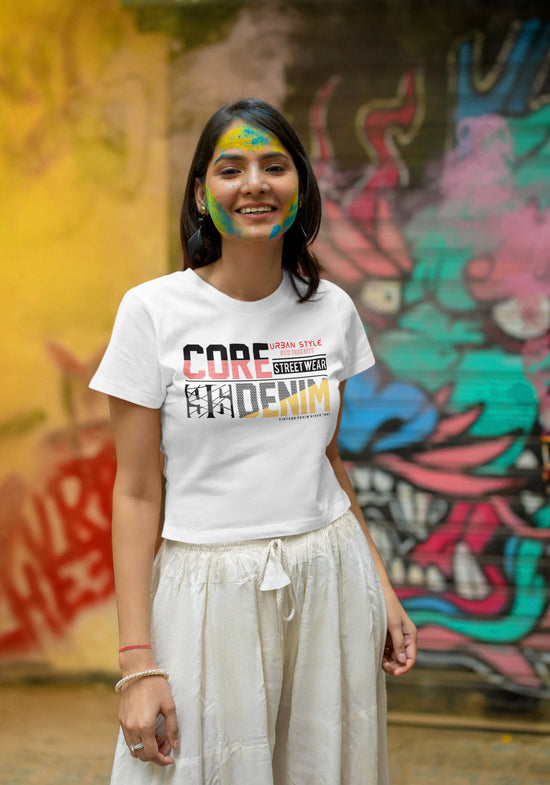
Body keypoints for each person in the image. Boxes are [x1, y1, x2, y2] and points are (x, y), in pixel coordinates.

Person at [90, 98, 417, 785]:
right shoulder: (152, 311)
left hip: (330, 578)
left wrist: (382, 588)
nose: (255, 184)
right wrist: (136, 664)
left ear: (300, 184)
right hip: (205, 588)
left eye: (274, 166)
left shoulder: (330, 308)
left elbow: (326, 461)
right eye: (231, 168)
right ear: (201, 194)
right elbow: (137, 491)